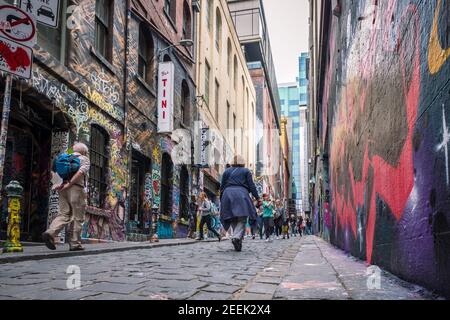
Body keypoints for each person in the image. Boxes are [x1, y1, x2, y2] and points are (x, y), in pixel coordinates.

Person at [42, 142, 90, 251]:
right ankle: (75, 244)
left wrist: (57, 185)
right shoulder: (84, 159)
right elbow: (80, 173)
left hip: (62, 189)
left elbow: (53, 172)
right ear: (84, 151)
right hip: (76, 189)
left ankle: (50, 233)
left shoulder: (64, 157)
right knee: (78, 217)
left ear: (74, 150)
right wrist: (70, 183)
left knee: (63, 214)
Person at [219, 155, 261, 252]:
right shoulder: (246, 171)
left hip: (227, 194)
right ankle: (237, 237)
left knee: (232, 218)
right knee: (242, 219)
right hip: (241, 195)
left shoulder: (226, 171)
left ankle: (237, 239)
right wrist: (257, 198)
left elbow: (222, 186)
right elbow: (252, 186)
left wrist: (222, 199)